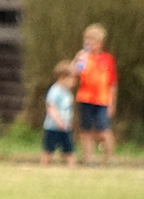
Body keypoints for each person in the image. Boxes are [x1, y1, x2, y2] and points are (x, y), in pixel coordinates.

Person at [73, 24, 117, 166]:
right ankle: (88, 158)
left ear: (100, 43)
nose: (89, 43)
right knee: (85, 130)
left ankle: (109, 159)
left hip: (102, 100)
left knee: (103, 131)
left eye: (92, 41)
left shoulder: (107, 59)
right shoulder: (83, 58)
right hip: (85, 98)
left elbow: (112, 83)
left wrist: (112, 103)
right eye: (87, 40)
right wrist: (78, 59)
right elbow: (74, 74)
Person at [41, 61, 77, 166]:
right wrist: (58, 121)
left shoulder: (67, 92)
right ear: (62, 77)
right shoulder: (55, 90)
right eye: (71, 79)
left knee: (69, 149)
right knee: (48, 149)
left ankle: (72, 167)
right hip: (53, 127)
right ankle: (44, 165)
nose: (74, 82)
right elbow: (51, 107)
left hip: (65, 127)